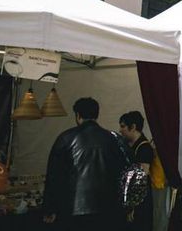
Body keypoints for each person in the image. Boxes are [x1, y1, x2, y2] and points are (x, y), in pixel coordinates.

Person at [43, 97, 126, 230]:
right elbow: (124, 173)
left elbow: (54, 176)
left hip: (72, 208)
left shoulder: (65, 138)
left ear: (78, 115)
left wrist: (50, 208)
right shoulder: (114, 139)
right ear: (96, 115)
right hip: (107, 208)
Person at [118, 111, 153, 230]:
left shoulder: (144, 148)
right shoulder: (128, 146)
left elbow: (141, 179)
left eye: (123, 126)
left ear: (133, 127)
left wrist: (132, 207)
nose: (120, 130)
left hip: (140, 203)